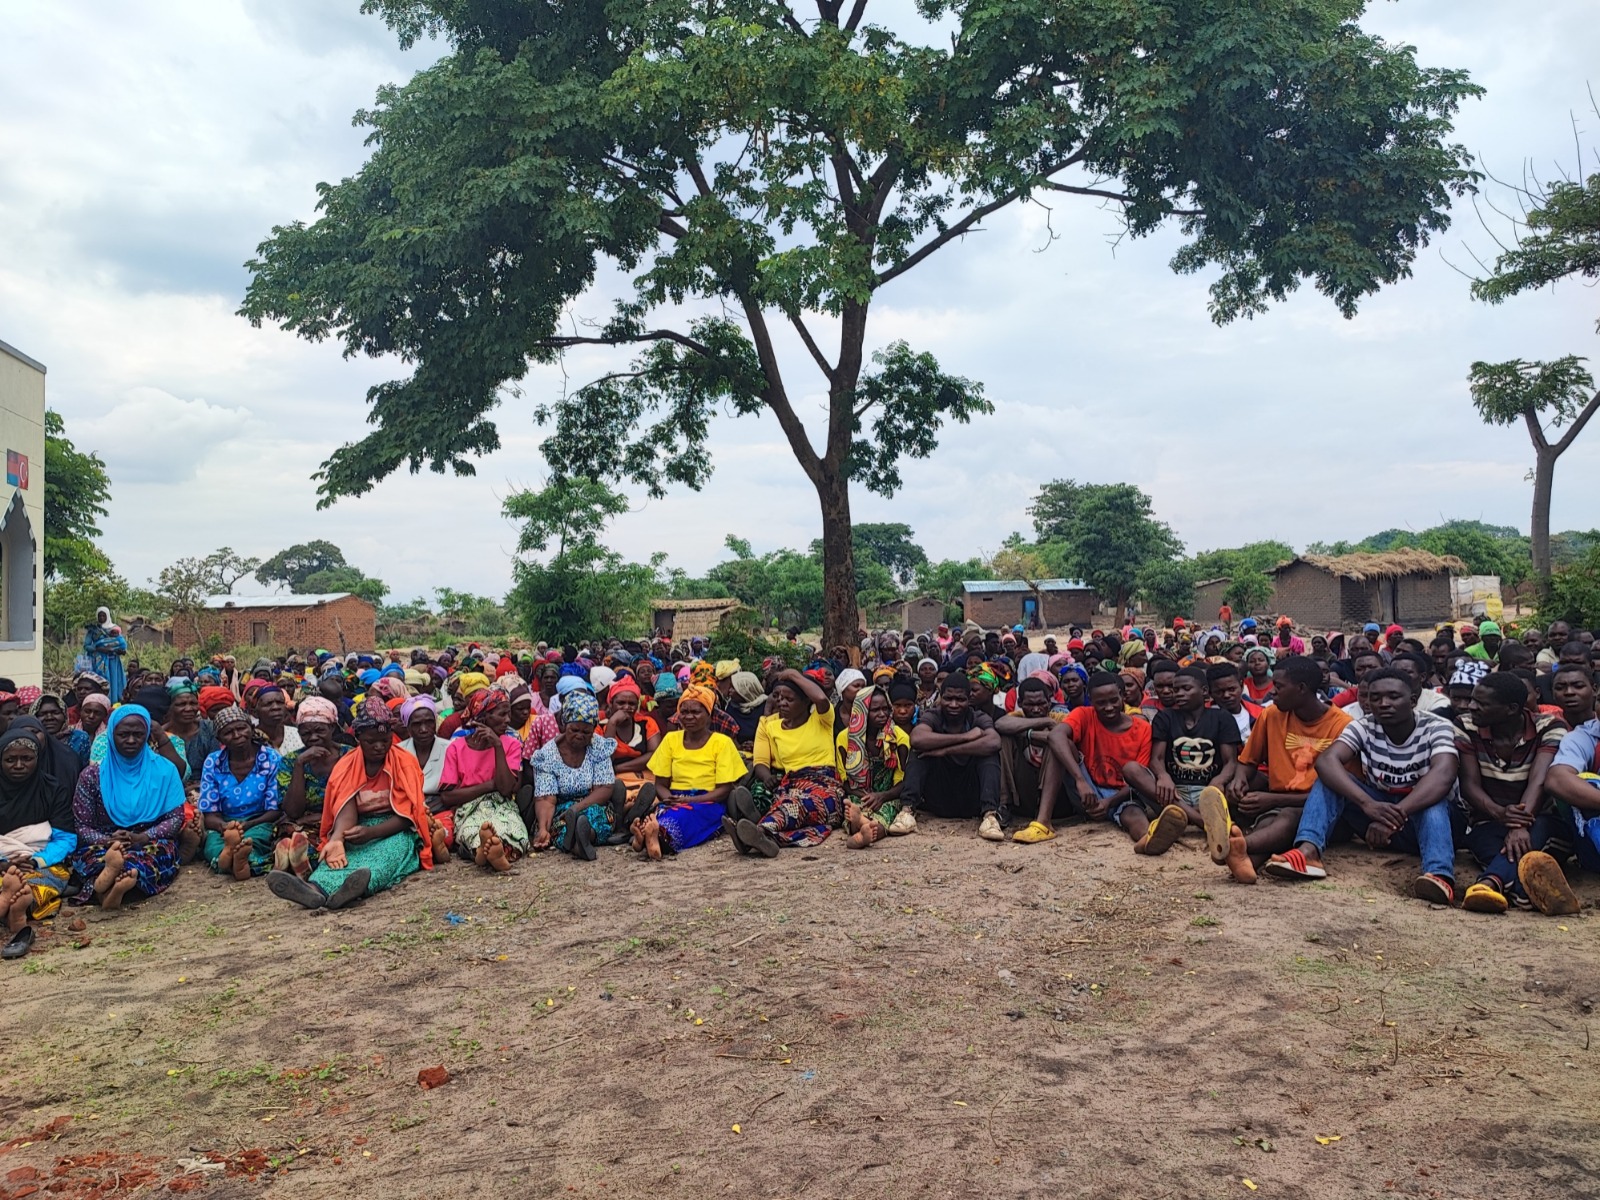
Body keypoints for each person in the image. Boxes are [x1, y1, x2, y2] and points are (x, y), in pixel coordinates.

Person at [1265, 670, 1461, 903]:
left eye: (1393, 697)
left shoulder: (1436, 726)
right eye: (1375, 698)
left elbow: (1444, 774)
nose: (1383, 704)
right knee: (1329, 780)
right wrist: (1367, 804)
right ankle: (1308, 852)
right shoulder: (1364, 726)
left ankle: (1439, 875)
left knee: (1434, 801)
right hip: (1381, 810)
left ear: (1412, 701)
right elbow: (1327, 761)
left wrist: (1393, 817)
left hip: (1430, 821)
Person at [267, 698, 434, 910]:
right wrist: (337, 839)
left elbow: (409, 814)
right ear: (359, 738)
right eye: (371, 741)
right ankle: (314, 889)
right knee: (338, 856)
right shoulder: (347, 765)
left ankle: (353, 889)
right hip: (358, 825)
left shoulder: (405, 763)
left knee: (385, 856)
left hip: (397, 828)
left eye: (385, 740)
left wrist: (371, 833)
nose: (379, 746)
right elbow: (346, 807)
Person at [1217, 656, 1352, 884]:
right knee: (1272, 819)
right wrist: (1239, 780)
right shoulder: (1271, 715)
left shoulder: (1342, 725)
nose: (1272, 693)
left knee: (1287, 816)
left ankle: (1237, 846)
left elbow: (1340, 794)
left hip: (1326, 814)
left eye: (1278, 687)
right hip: (1278, 804)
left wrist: (1272, 799)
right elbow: (1248, 761)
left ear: (1301, 689)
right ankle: (1246, 862)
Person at [1454, 673, 1569, 914]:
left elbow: (1539, 781)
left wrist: (1519, 825)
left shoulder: (1549, 727)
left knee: (1532, 837)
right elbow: (1469, 784)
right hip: (1489, 819)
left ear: (1511, 709)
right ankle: (1523, 892)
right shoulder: (1466, 725)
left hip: (1539, 819)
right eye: (1473, 700)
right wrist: (1499, 813)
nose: (1471, 706)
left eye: (1481, 703)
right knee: (1487, 842)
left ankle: (1489, 883)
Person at [67, 705, 186, 909]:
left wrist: (144, 837)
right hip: (104, 843)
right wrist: (107, 841)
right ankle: (114, 884)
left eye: (138, 734)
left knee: (155, 855)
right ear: (111, 735)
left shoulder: (166, 770)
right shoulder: (92, 776)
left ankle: (108, 889)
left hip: (150, 840)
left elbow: (175, 818)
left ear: (148, 735)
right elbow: (82, 826)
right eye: (123, 734)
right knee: (94, 857)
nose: (131, 740)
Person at [1122, 666, 1238, 860]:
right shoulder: (1166, 717)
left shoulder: (1222, 718)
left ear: (1204, 691)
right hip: (1172, 794)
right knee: (1131, 768)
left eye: (1186, 689)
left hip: (1209, 794)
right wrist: (1163, 775)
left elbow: (1231, 762)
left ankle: (1182, 818)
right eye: (1177, 690)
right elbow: (1156, 759)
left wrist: (1219, 781)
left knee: (1239, 781)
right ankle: (1203, 822)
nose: (1179, 694)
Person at [1043, 673, 1164, 849]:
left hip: (1122, 794)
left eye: (1114, 700)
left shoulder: (1143, 729)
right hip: (1087, 791)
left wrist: (1108, 802)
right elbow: (1055, 735)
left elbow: (1138, 780)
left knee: (1133, 814)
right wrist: (1080, 780)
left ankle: (1148, 840)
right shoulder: (1083, 715)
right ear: (1090, 700)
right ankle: (1043, 822)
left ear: (1123, 696)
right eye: (1100, 703)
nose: (1108, 707)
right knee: (1061, 744)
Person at [732, 669, 842, 856]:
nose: (782, 703)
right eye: (780, 698)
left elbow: (822, 700)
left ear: (805, 701)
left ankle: (758, 831)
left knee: (797, 806)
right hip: (791, 784)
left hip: (825, 785)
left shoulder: (821, 720)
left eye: (789, 699)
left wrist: (792, 675)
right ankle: (763, 837)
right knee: (787, 804)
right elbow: (760, 760)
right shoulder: (771, 726)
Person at [639, 685, 746, 859]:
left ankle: (649, 837)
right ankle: (646, 836)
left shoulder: (722, 742)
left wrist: (689, 800)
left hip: (707, 800)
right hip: (673, 798)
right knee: (665, 813)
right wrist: (669, 799)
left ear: (709, 715)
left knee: (683, 817)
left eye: (696, 712)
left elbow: (724, 789)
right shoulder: (670, 740)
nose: (689, 717)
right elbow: (660, 784)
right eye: (684, 711)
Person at [529, 691, 637, 860]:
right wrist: (543, 829)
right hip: (561, 807)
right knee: (560, 825)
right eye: (574, 730)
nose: (580, 736)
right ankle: (578, 843)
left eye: (586, 732)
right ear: (564, 725)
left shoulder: (599, 747)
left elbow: (604, 788)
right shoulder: (547, 755)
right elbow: (546, 799)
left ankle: (584, 838)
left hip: (592, 801)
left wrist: (577, 809)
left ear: (594, 729)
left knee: (597, 816)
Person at [438, 687, 529, 871]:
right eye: (502, 714)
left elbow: (505, 789)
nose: (508, 720)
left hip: (502, 804)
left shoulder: (510, 744)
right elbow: (447, 797)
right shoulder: (456, 748)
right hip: (468, 808)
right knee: (473, 830)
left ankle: (488, 853)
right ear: (483, 716)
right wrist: (489, 785)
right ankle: (484, 851)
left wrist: (497, 746)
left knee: (512, 830)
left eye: (509, 714)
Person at [0, 728, 77, 945]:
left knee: (36, 883)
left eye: (26, 758)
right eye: (10, 759)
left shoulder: (53, 789)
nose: (18, 765)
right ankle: (13, 907)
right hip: (2, 863)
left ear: (38, 758)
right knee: (13, 882)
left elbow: (66, 839)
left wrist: (35, 861)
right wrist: (4, 864)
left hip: (42, 861)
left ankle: (16, 905)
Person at [903, 674, 1003, 840]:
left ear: (969, 699)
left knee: (988, 755)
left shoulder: (978, 717)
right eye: (948, 698)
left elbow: (994, 742)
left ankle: (990, 816)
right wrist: (965, 737)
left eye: (960, 699)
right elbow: (917, 738)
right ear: (941, 697)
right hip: (938, 797)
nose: (954, 704)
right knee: (919, 752)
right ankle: (907, 811)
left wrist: (946, 750)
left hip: (972, 798)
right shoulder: (933, 715)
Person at [198, 706, 284, 882]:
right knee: (212, 844)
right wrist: (225, 827)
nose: (237, 735)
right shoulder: (213, 762)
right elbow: (210, 813)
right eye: (228, 732)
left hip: (261, 820)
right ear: (219, 738)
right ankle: (231, 856)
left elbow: (275, 809)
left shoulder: (271, 758)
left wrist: (247, 825)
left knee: (258, 838)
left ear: (252, 729)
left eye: (241, 728)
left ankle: (237, 860)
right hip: (226, 823)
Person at [993, 676, 1071, 844]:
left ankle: (1044, 816)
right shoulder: (1018, 717)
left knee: (1054, 743)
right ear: (1020, 703)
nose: (1036, 709)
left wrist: (1037, 733)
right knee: (1004, 738)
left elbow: (1063, 738)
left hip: (1058, 798)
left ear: (1049, 702)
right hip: (1025, 792)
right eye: (1030, 705)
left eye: (1041, 704)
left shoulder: (1061, 717)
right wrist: (1041, 724)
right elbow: (1000, 724)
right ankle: (1004, 805)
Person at [275, 697, 342, 879]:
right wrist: (299, 764)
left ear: (332, 728)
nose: (312, 738)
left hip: (340, 821)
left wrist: (323, 816)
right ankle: (294, 857)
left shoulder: (349, 756)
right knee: (294, 834)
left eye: (320, 731)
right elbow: (292, 811)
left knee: (326, 841)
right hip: (303, 823)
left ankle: (296, 862)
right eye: (305, 733)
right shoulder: (290, 761)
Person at [836, 685, 911, 848]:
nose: (882, 714)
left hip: (889, 794)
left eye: (885, 709)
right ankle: (862, 826)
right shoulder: (844, 739)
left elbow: (904, 780)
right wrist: (867, 797)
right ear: (861, 711)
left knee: (888, 813)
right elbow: (845, 780)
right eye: (875, 710)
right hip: (859, 793)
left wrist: (882, 796)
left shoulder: (899, 738)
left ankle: (860, 831)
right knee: (852, 807)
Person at [1204, 664, 1261, 741]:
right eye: (1219, 692)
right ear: (1210, 693)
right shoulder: (1201, 718)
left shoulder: (1259, 714)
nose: (1226, 695)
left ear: (1241, 686)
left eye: (1232, 689)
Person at [82, 608, 128, 703]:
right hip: (99, 661)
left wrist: (119, 650)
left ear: (108, 616)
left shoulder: (115, 629)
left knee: (114, 682)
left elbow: (122, 645)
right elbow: (86, 646)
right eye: (100, 616)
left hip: (113, 661)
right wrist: (99, 649)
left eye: (104, 615)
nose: (101, 618)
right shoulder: (94, 630)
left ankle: (113, 703)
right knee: (100, 681)